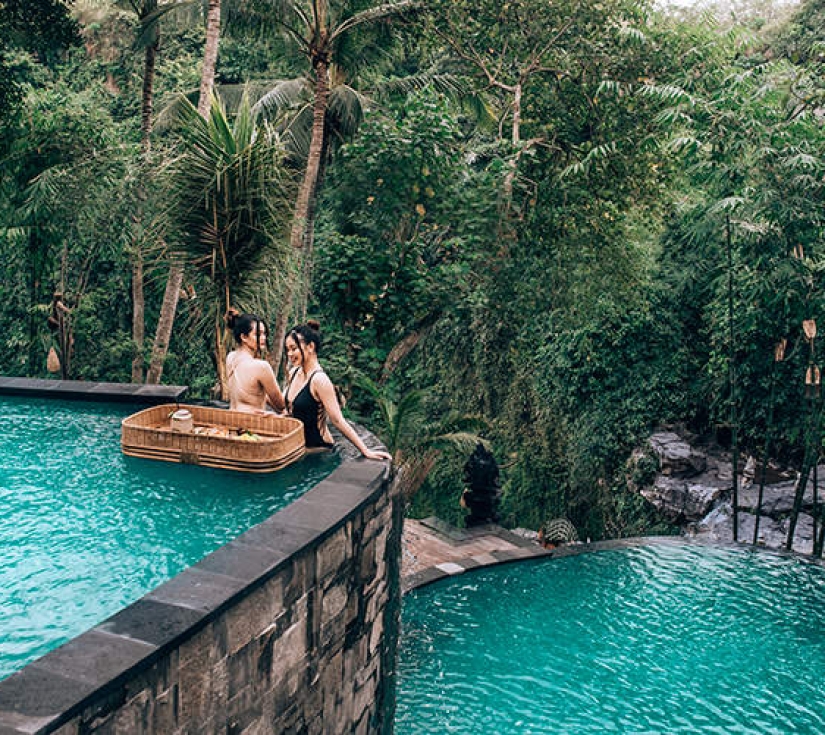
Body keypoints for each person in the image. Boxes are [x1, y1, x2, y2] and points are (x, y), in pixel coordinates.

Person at [284, 321, 391, 461]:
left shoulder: (319, 380)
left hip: (319, 451)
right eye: (287, 350)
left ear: (310, 347)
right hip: (298, 448)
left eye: (294, 348)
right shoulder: (294, 372)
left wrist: (366, 451)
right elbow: (289, 407)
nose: (290, 354)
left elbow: (338, 420)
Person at [225, 309, 285, 414]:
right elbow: (280, 404)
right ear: (244, 337)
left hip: (232, 419)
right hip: (252, 425)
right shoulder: (261, 367)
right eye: (258, 334)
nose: (263, 338)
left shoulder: (230, 357)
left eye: (264, 334)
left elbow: (249, 392)